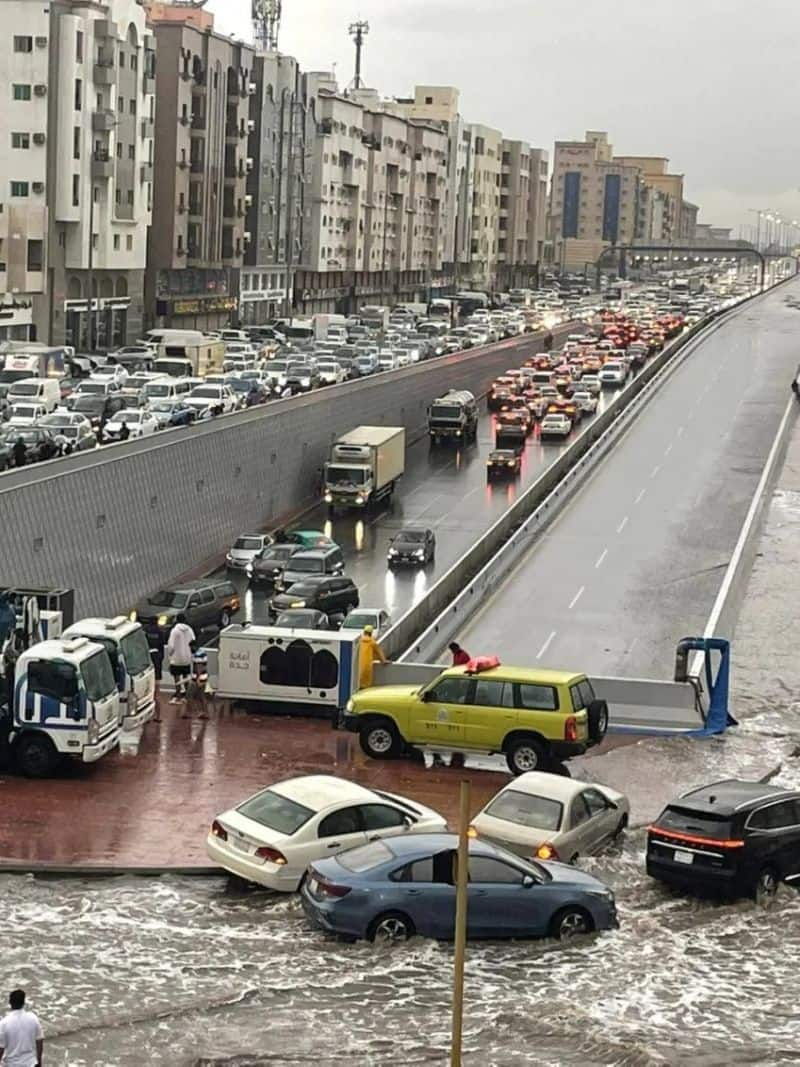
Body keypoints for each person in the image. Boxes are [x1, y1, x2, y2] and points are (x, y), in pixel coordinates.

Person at [0, 988, 44, 1067]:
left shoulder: (4, 1023)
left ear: (10, 1002)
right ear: (23, 1002)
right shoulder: (33, 1018)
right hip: (31, 1063)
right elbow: (39, 1040)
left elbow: (1, 1048)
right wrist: (39, 1061)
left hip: (12, 1064)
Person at [166, 614, 195, 705]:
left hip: (176, 658)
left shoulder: (175, 631)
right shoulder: (189, 630)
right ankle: (186, 696)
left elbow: (171, 645)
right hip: (187, 657)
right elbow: (193, 641)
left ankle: (178, 696)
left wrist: (170, 655)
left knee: (177, 678)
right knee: (186, 677)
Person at [358, 624, 387, 689]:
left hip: (359, 666)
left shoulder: (359, 641)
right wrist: (384, 661)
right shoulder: (372, 642)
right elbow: (379, 653)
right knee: (366, 686)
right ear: (371, 633)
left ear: (364, 632)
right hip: (367, 666)